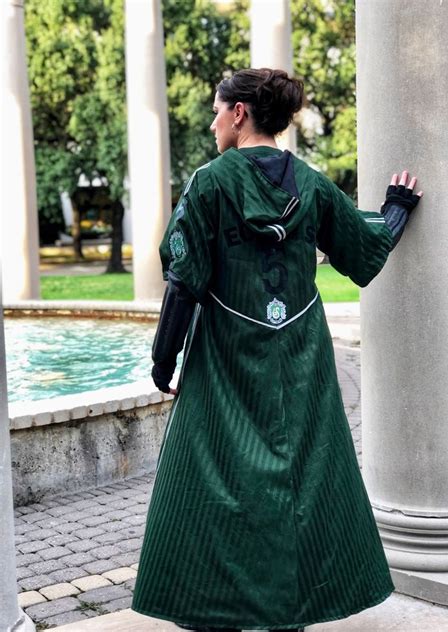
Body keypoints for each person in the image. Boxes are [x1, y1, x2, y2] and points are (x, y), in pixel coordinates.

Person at [131, 68, 422, 632]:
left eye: (218, 109)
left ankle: (219, 609)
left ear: (240, 113)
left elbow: (184, 281)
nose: (213, 121)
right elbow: (365, 249)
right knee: (302, 477)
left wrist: (163, 362)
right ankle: (292, 613)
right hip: (300, 360)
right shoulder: (310, 185)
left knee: (214, 479)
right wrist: (399, 205)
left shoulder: (209, 183)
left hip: (223, 359)